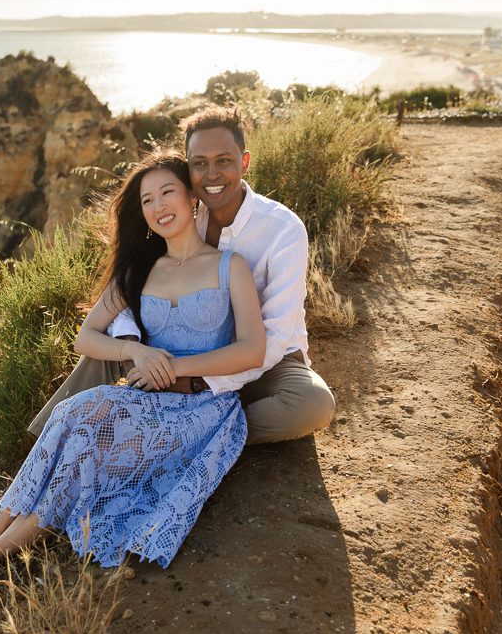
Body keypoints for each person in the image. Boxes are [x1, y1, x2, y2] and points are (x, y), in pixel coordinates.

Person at [0, 150, 266, 589]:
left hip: (203, 410)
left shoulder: (229, 265)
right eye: (148, 201)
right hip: (147, 399)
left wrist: (177, 364)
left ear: (192, 198)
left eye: (168, 193)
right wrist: (139, 355)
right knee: (72, 415)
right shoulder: (141, 270)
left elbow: (253, 350)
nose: (159, 207)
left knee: (85, 443)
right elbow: (85, 337)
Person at [28, 106, 335, 446]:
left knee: (313, 404)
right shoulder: (179, 212)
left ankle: (197, 438)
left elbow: (273, 339)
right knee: (103, 356)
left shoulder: (283, 229)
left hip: (262, 364)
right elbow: (135, 288)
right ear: (188, 170)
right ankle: (44, 445)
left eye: (224, 161)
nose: (212, 174)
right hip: (182, 350)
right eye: (200, 163)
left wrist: (195, 379)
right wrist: (135, 350)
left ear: (244, 162)